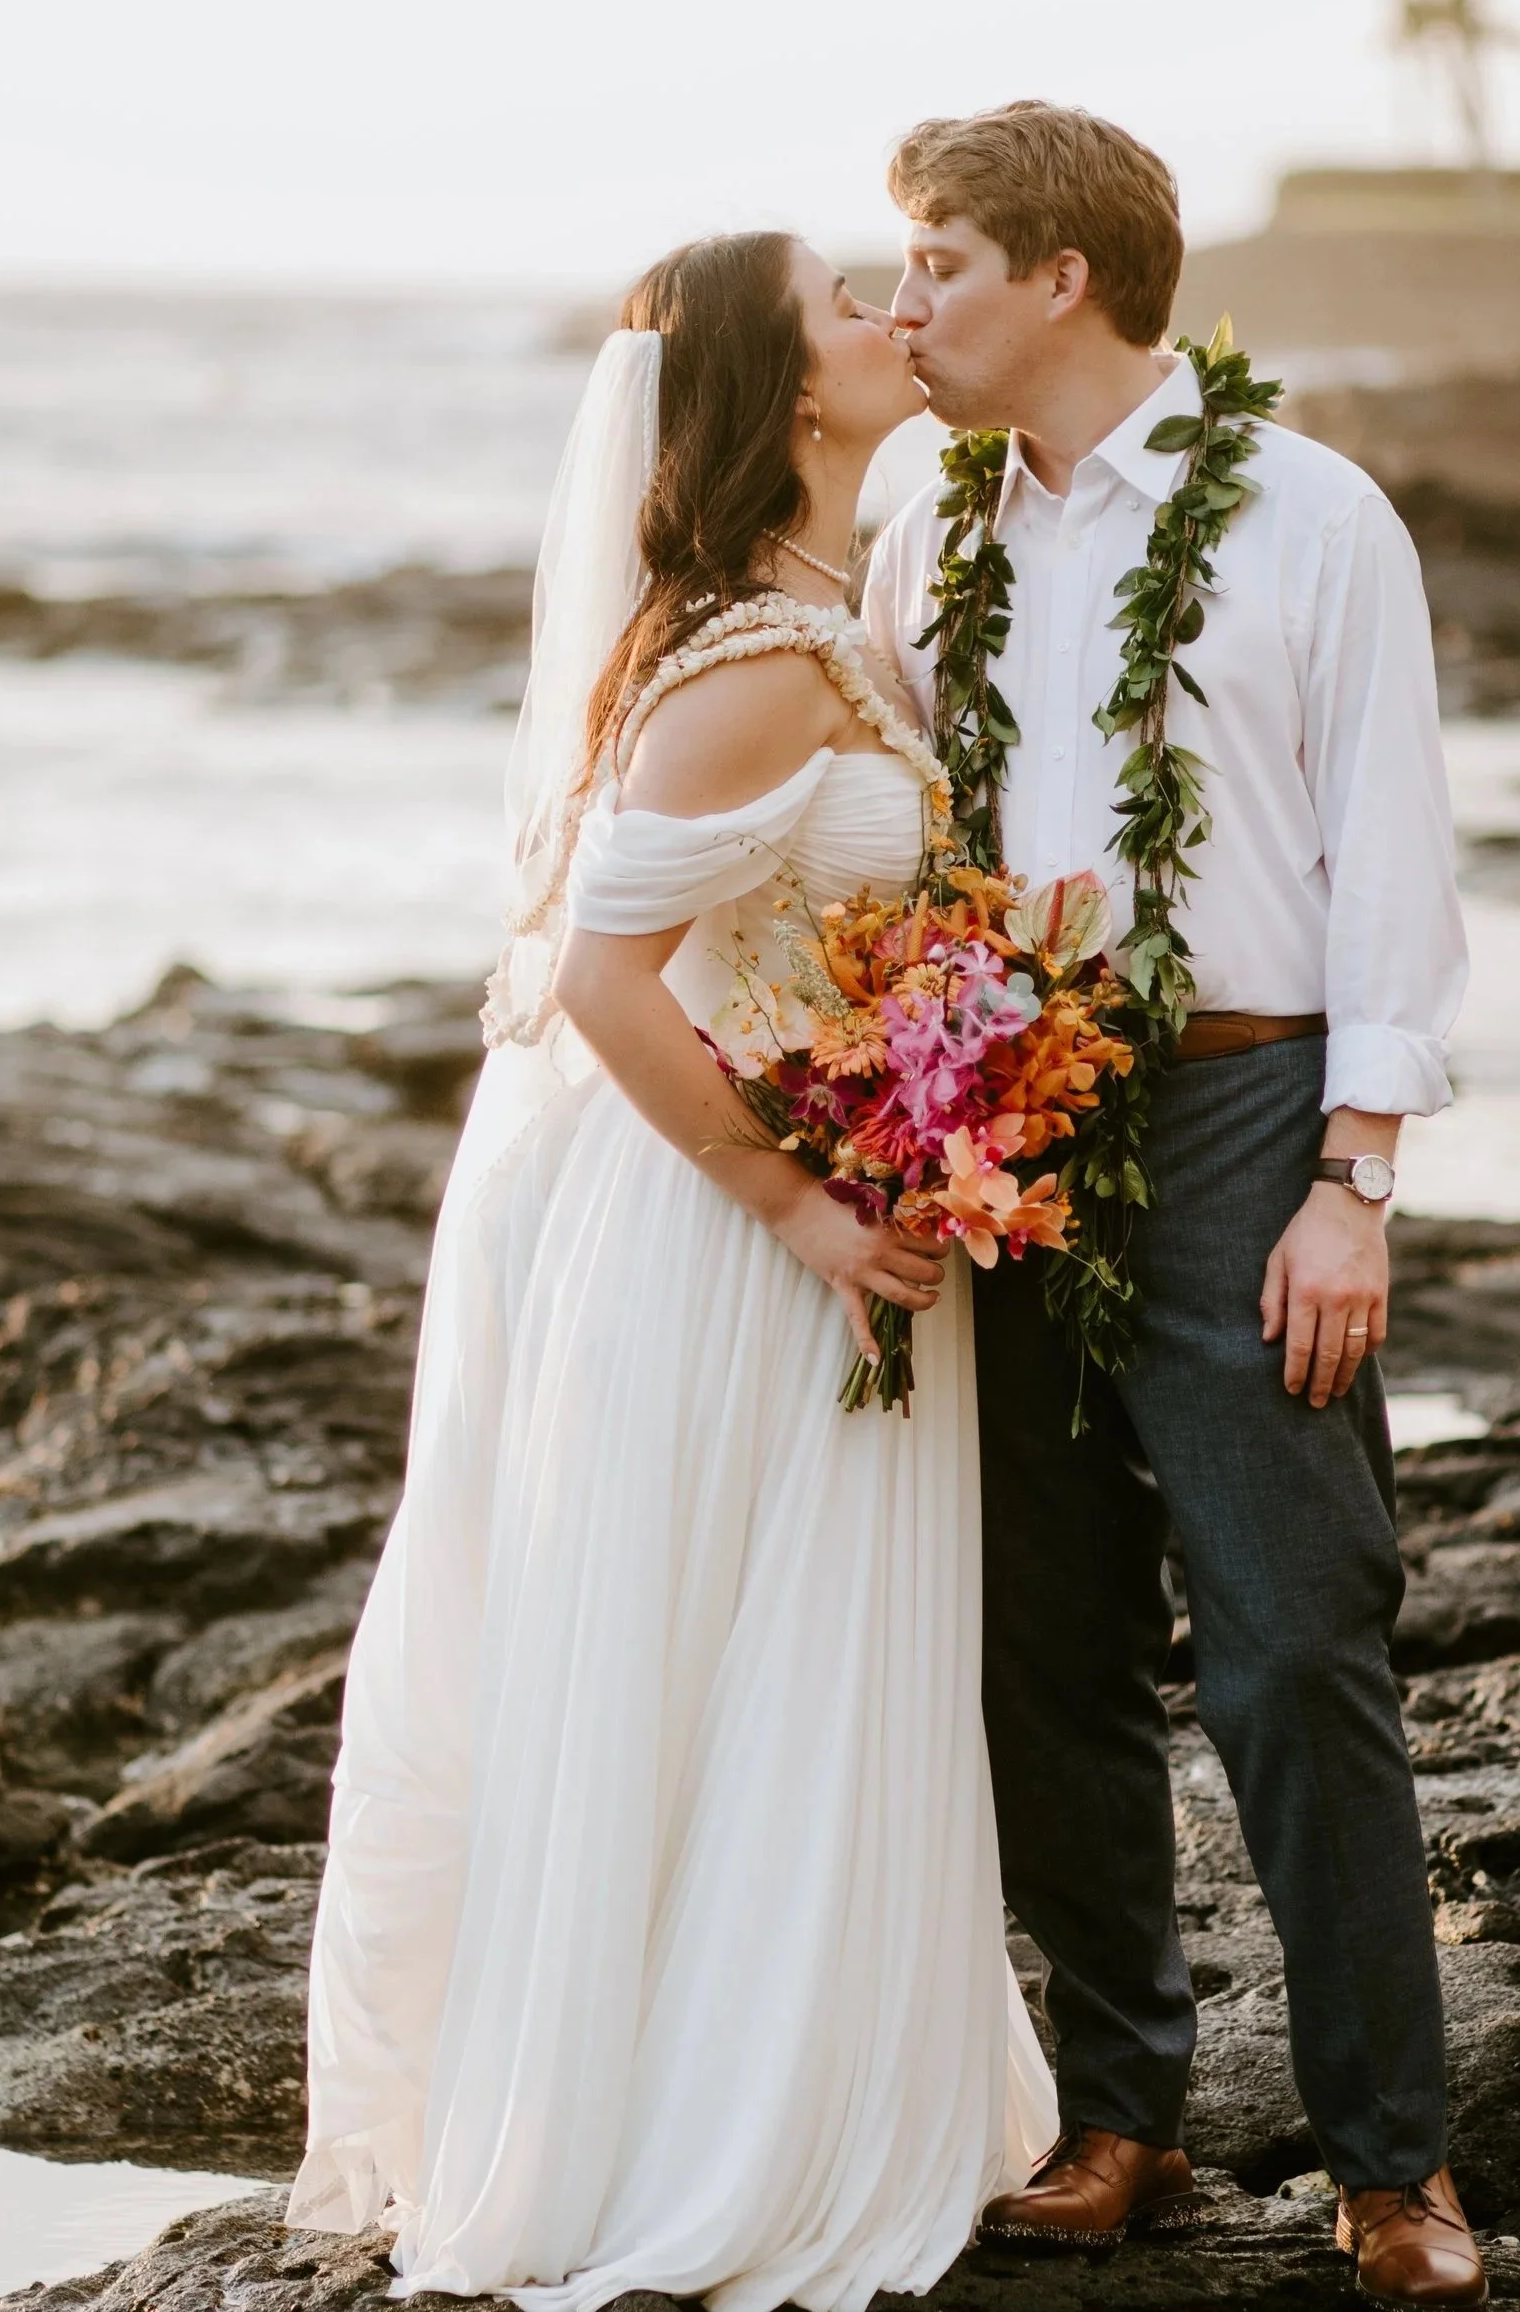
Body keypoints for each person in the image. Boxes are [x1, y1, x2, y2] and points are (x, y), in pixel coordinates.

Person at [291, 231, 1057, 2310]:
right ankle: (697, 2136)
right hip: (733, 1241)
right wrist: (802, 1199)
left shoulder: (835, 614)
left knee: (782, 1667)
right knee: (723, 1664)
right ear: (786, 394)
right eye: (840, 299)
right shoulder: (741, 663)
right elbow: (599, 981)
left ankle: (794, 2084)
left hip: (832, 1200)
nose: (892, 308)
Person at [863, 102, 1484, 2311]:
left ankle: (1386, 2162)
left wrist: (1354, 1177)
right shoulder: (911, 519)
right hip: (996, 1119)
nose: (897, 301)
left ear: (1058, 275)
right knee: (1038, 1647)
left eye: (932, 258)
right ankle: (1119, 2109)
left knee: (1295, 1647)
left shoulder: (1307, 518)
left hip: (1245, 1114)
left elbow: (1393, 855)